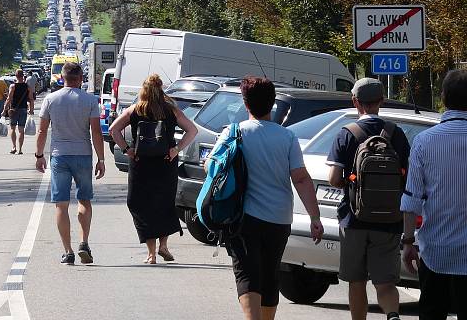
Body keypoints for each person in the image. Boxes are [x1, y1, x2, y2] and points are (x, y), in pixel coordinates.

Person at [210, 77, 323, 320]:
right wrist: (315, 217)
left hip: (244, 216)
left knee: (247, 274)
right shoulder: (287, 137)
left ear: (245, 103)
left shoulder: (234, 131)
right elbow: (301, 179)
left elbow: (212, 166)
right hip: (280, 218)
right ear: (272, 103)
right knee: (271, 273)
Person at [327, 78, 410, 320]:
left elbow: (333, 178)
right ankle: (392, 314)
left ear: (355, 102)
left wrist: (351, 184)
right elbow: (408, 176)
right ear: (381, 101)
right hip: (389, 220)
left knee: (357, 281)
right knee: (385, 283)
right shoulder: (397, 134)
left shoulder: (347, 134)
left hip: (354, 220)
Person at [109, 74, 198, 263]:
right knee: (164, 204)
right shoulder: (171, 110)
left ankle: (151, 254)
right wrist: (176, 149)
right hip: (166, 162)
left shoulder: (135, 109)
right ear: (160, 90)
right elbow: (192, 130)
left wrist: (127, 149)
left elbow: (113, 130)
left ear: (144, 90)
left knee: (140, 204)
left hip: (141, 163)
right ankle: (163, 246)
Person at [401, 69, 467, 319]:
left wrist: (408, 242)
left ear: (443, 98)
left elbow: (412, 198)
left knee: (432, 312)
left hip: (435, 249)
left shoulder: (424, 142)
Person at [35, 61, 105, 265]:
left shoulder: (51, 99)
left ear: (62, 78)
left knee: (61, 205)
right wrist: (101, 159)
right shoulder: (90, 100)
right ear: (81, 79)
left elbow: (42, 131)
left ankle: (68, 251)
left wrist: (39, 155)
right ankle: (84, 242)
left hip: (59, 155)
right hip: (83, 155)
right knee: (84, 200)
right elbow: (96, 132)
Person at [4, 69, 34, 154]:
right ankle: (20, 149)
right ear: (23, 76)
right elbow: (31, 99)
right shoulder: (27, 87)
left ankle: (14, 147)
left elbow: (9, 99)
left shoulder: (12, 86)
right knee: (21, 130)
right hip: (23, 109)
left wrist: (4, 110)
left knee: (12, 128)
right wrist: (31, 110)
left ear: (16, 76)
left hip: (13, 110)